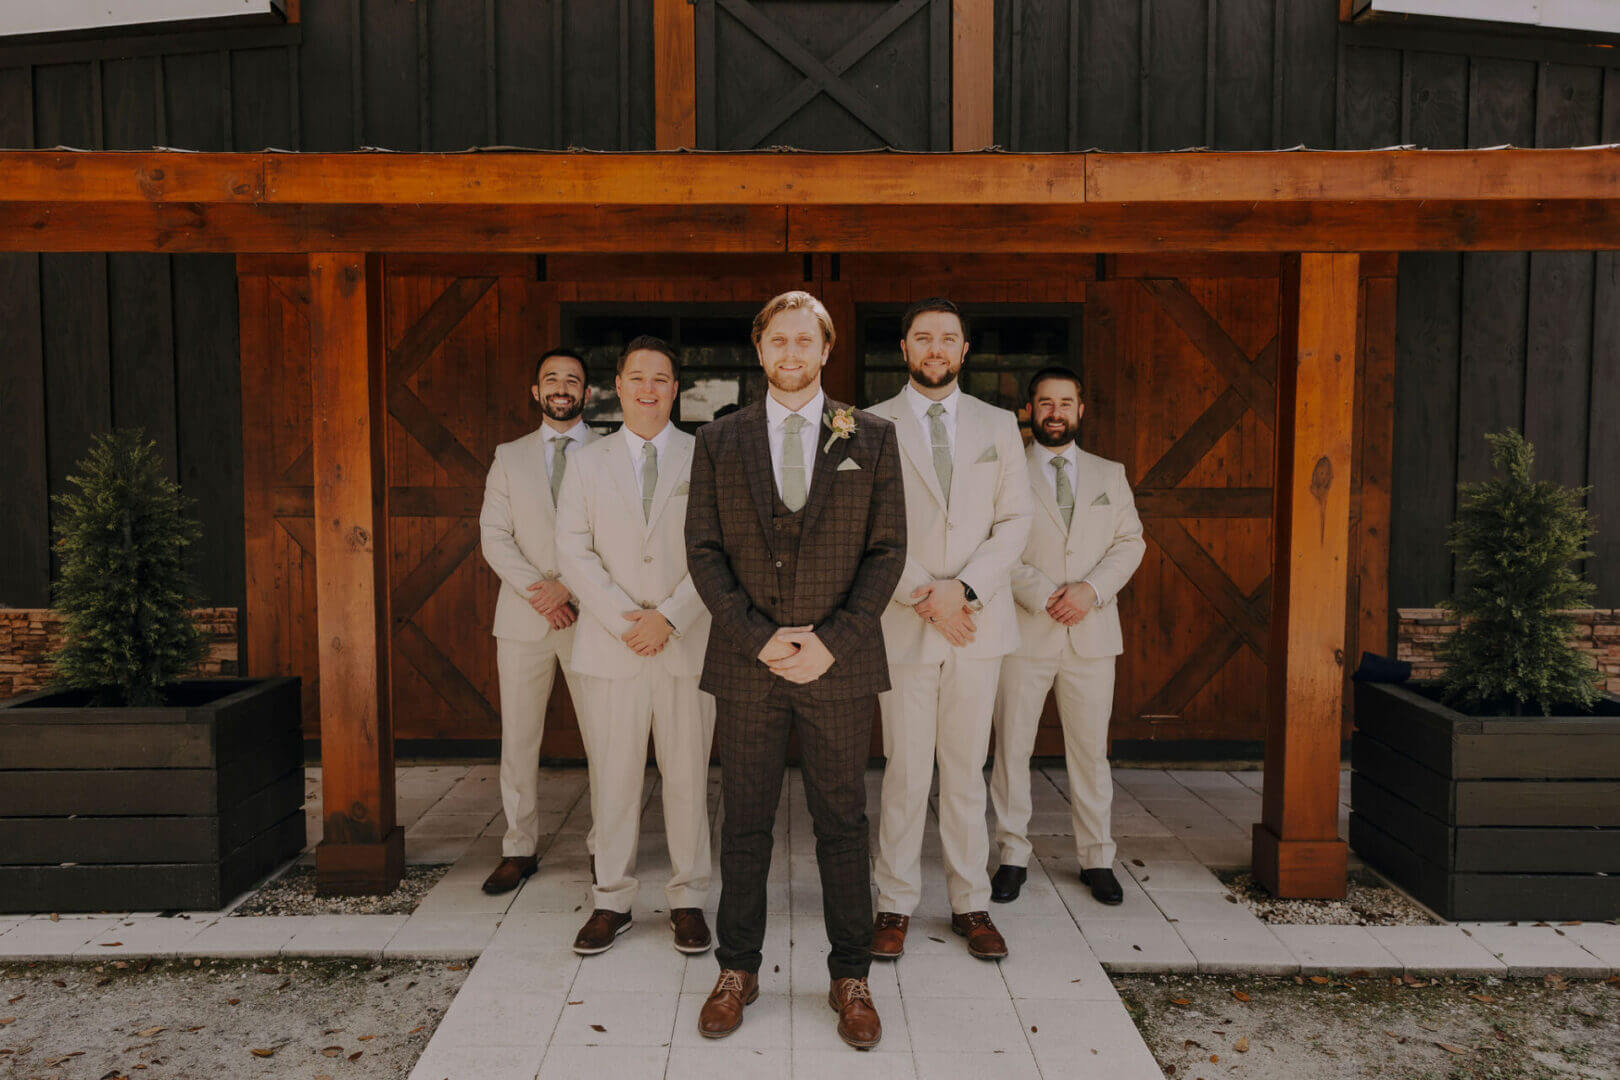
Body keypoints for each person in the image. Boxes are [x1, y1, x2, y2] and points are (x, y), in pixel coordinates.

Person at [686, 291, 906, 1049]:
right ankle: (737, 969)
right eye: (777, 340)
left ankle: (851, 977)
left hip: (837, 666)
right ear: (759, 350)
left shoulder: (869, 436)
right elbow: (704, 552)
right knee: (743, 819)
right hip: (749, 666)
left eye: (803, 341)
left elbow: (886, 552)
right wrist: (759, 638)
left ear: (825, 348)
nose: (790, 353)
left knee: (842, 822)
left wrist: (832, 641)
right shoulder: (719, 440)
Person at [866, 297, 1032, 961]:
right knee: (905, 772)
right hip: (904, 622)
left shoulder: (998, 426)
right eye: (922, 338)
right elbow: (865, 526)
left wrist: (961, 590)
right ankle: (894, 902)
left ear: (964, 351)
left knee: (966, 771)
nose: (935, 348)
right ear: (904, 348)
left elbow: (1015, 522)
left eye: (948, 339)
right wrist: (923, 594)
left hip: (976, 625)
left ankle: (971, 902)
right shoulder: (867, 424)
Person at [554, 335, 716, 955]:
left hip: (686, 644)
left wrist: (669, 617)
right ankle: (612, 899)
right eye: (637, 377)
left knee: (686, 777)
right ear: (617, 387)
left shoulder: (706, 457)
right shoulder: (587, 462)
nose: (648, 388)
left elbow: (718, 551)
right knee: (613, 778)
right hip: (611, 645)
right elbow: (573, 548)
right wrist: (628, 621)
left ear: (676, 390)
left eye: (661, 379)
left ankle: (688, 897)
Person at [989, 366, 1144, 906]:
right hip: (1025, 630)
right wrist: (1047, 593)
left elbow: (1130, 543)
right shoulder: (1007, 472)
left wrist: (1090, 591)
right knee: (1011, 748)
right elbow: (996, 548)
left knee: (1090, 753)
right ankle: (1011, 854)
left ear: (1082, 410)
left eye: (1066, 402)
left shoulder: (1110, 473)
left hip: (1092, 634)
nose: (1056, 412)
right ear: (1030, 411)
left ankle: (1097, 856)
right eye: (1045, 403)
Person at [477, 347, 599, 896]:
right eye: (551, 378)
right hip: (524, 617)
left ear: (587, 393)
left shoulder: (608, 452)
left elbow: (614, 538)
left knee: (605, 738)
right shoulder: (509, 456)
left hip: (590, 616)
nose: (561, 387)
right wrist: (541, 594)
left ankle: (606, 846)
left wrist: (568, 590)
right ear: (535, 391)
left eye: (572, 380)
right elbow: (494, 536)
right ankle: (518, 847)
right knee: (519, 737)